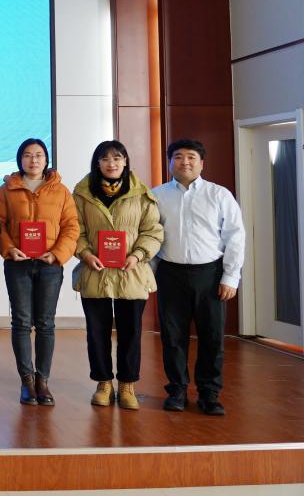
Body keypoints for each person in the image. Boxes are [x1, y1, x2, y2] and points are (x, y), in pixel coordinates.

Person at [152, 138, 245, 416]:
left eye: (191, 157)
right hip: (170, 273)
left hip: (210, 274)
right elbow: (150, 237)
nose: (185, 162)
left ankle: (209, 394)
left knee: (212, 336)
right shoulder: (156, 196)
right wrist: (150, 275)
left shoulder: (219, 195)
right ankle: (177, 391)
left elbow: (235, 236)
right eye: (178, 157)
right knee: (172, 336)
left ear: (202, 163)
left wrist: (231, 277)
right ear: (170, 162)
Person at [72, 140, 163, 410]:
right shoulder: (82, 193)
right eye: (105, 158)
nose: (111, 163)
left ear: (125, 162)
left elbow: (153, 231)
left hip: (131, 274)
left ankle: (127, 385)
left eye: (117, 158)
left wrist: (138, 255)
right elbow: (75, 230)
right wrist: (86, 253)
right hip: (95, 272)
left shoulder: (141, 193)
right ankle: (103, 384)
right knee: (97, 333)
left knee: (130, 333)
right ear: (97, 163)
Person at [0, 138, 79, 406]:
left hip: (49, 265)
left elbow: (71, 226)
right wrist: (9, 249)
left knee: (45, 324)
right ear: (20, 159)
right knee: (21, 322)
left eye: (39, 155)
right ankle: (27, 381)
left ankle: (43, 381)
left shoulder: (61, 191)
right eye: (28, 155)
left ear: (46, 159)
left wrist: (57, 254)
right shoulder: (7, 190)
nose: (33, 160)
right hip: (17, 263)